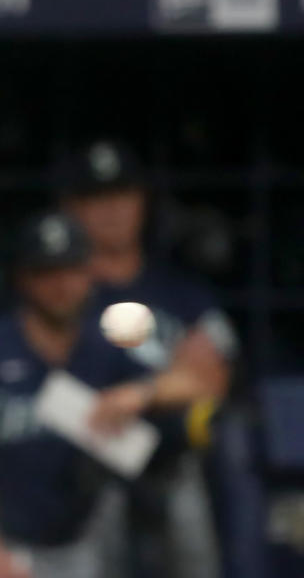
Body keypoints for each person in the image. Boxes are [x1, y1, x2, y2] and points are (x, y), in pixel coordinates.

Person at [0, 211, 157, 578]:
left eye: (72, 270)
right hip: (8, 546)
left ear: (89, 273)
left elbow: (196, 381)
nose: (62, 285)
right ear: (23, 278)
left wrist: (142, 392)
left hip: (87, 542)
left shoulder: (106, 347)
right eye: (47, 272)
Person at [60, 140, 237, 578]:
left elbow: (214, 377)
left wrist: (143, 392)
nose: (111, 210)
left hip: (174, 462)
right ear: (71, 208)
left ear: (142, 201)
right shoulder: (57, 294)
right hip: (85, 461)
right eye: (95, 198)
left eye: (121, 195)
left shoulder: (182, 293)